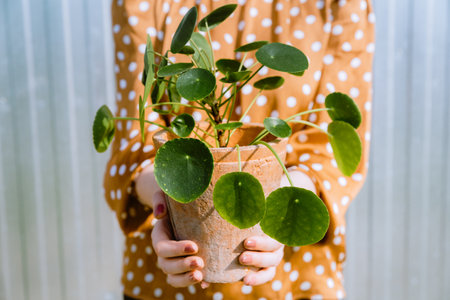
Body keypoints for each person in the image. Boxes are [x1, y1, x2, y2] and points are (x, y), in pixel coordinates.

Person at [104, 0, 375, 299]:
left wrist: (275, 206)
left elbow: (330, 153)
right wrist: (165, 204)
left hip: (294, 282)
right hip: (167, 278)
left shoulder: (339, 4)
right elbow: (136, 145)